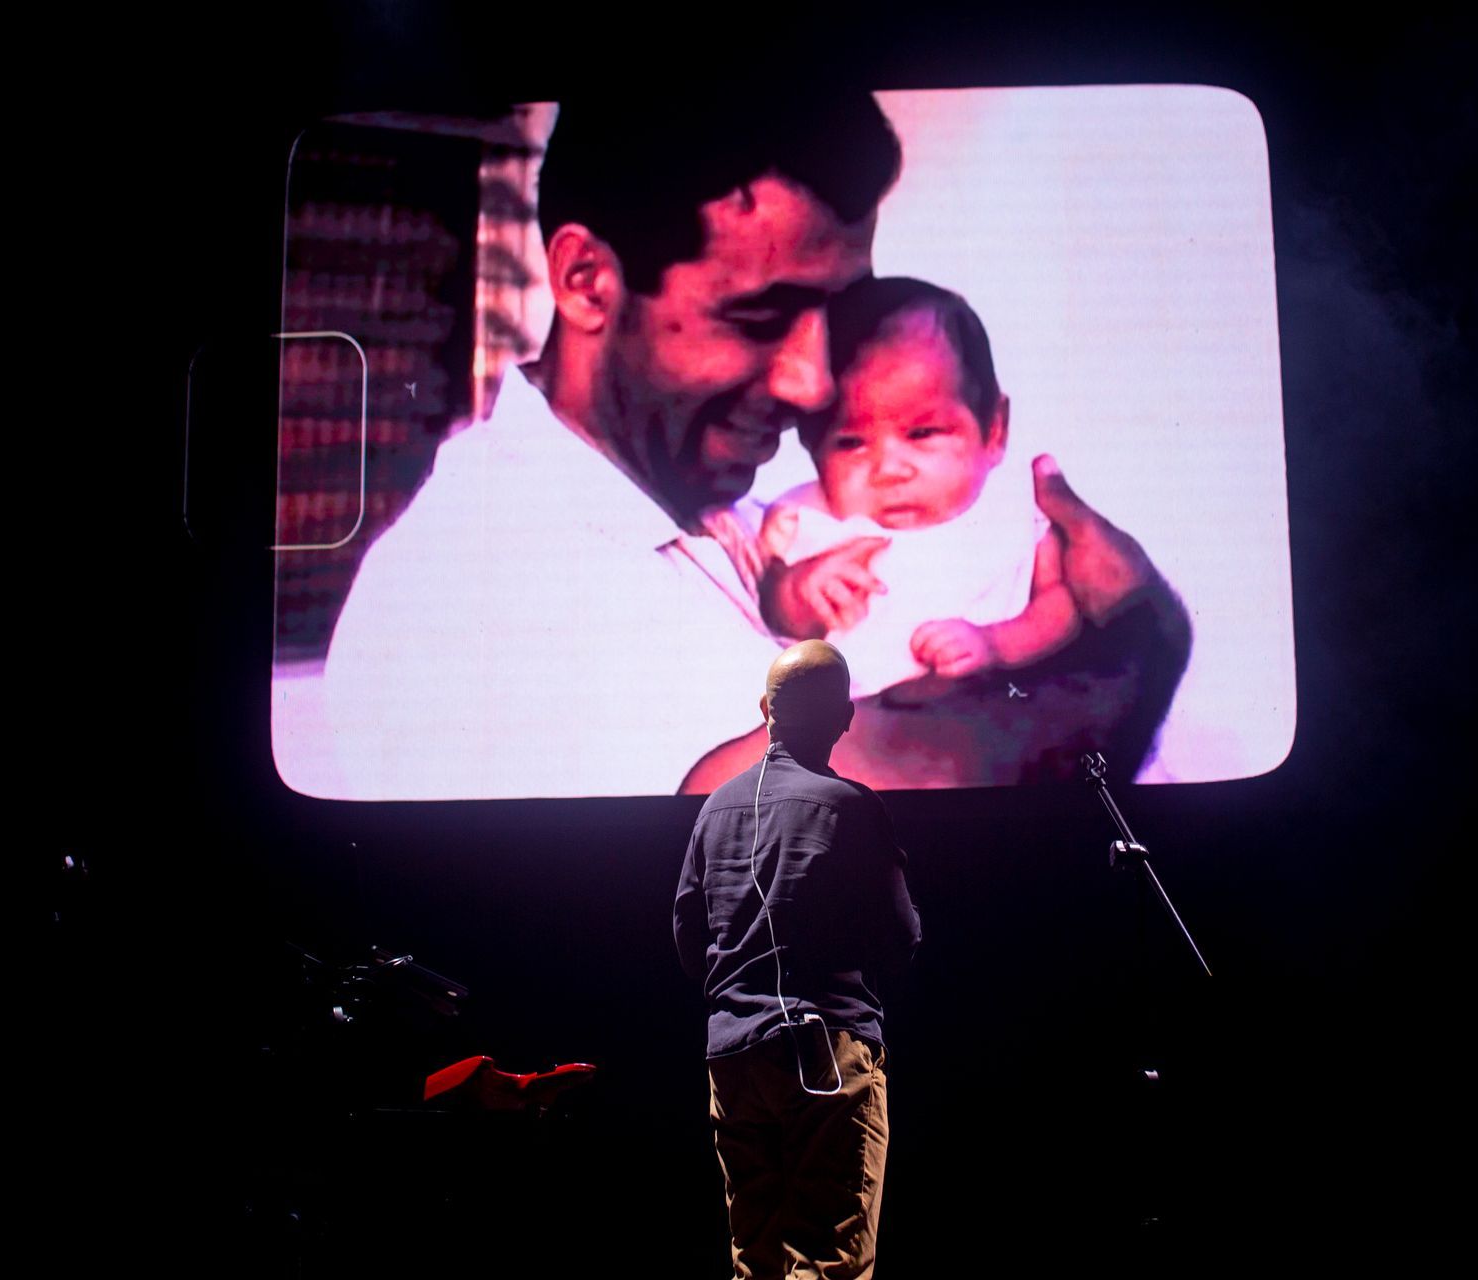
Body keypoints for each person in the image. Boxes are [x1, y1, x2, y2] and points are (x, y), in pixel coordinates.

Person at [318, 93, 902, 798]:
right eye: (758, 318)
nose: (814, 383)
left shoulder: (708, 502)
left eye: (839, 317)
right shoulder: (465, 595)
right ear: (586, 282)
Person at [674, 640, 921, 1279]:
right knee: (827, 1263)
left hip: (733, 1059)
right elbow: (901, 936)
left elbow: (688, 939)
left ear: (765, 709)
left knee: (753, 1262)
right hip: (825, 1053)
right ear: (845, 717)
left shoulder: (713, 809)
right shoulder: (852, 807)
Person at [759, 276, 1081, 698]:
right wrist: (797, 595)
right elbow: (770, 608)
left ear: (994, 431)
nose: (889, 470)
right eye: (851, 443)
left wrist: (995, 644)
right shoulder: (806, 519)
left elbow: (1059, 608)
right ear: (812, 449)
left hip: (994, 708)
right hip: (859, 723)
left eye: (923, 433)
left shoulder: (1014, 511)